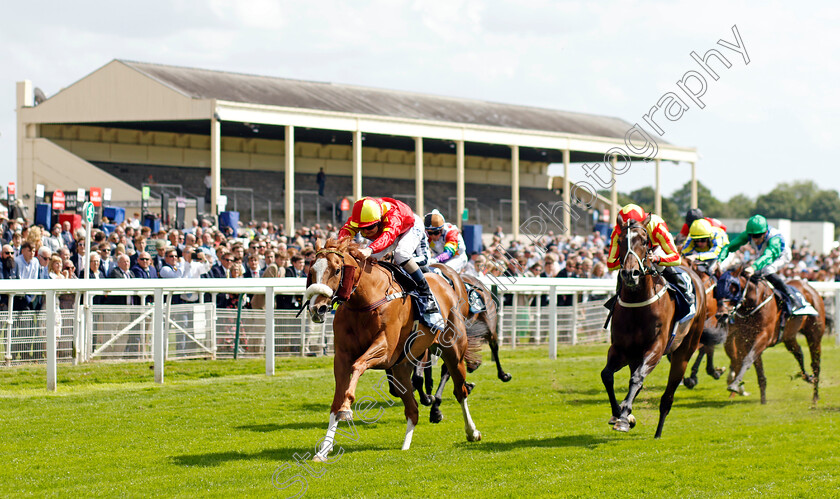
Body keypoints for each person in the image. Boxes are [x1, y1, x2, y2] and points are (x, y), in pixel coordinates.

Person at [338, 196, 444, 331]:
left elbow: (388, 238)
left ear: (379, 220)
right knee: (364, 259)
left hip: (409, 226)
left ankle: (428, 297)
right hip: (387, 230)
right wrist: (340, 247)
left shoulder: (392, 216)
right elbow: (344, 234)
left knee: (401, 254)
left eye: (369, 227)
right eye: (361, 228)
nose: (365, 232)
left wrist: (370, 249)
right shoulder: (358, 217)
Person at [606, 204, 696, 321]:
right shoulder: (618, 231)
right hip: (633, 254)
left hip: (655, 249)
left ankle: (685, 293)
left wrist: (657, 259)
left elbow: (676, 258)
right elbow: (611, 264)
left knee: (661, 267)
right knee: (625, 271)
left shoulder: (657, 225)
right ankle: (617, 302)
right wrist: (628, 262)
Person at [718, 214, 818, 316]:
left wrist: (754, 267)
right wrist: (719, 260)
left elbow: (768, 256)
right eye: (753, 236)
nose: (755, 239)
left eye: (758, 236)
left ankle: (793, 301)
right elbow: (729, 247)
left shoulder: (775, 238)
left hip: (779, 256)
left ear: (765, 232)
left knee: (767, 270)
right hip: (762, 257)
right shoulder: (749, 234)